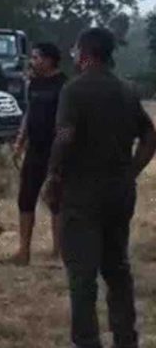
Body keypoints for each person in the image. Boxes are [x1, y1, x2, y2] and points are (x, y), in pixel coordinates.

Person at [44, 27, 156, 348]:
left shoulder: (74, 90)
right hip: (119, 193)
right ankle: (125, 339)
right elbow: (150, 137)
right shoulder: (128, 90)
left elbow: (65, 137)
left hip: (81, 194)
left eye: (77, 50)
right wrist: (130, 171)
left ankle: (87, 341)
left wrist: (53, 176)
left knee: (82, 276)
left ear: (86, 54)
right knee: (118, 269)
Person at [5, 43, 67, 266]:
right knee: (25, 198)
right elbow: (29, 113)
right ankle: (23, 252)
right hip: (35, 150)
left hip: (56, 151)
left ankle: (58, 253)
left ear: (50, 60)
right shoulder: (34, 84)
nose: (32, 61)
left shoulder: (64, 86)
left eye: (36, 57)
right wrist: (20, 141)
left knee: (56, 201)